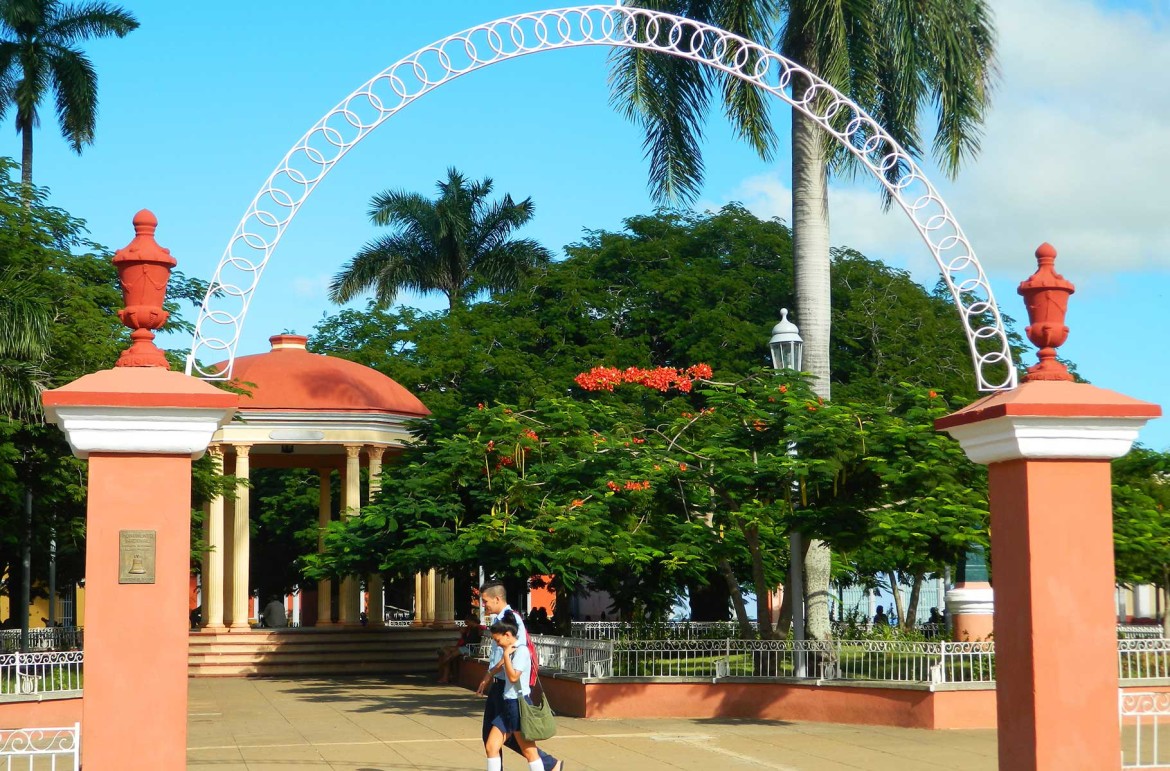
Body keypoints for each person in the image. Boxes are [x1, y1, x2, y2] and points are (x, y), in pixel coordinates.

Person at [477, 580, 562, 771]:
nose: (484, 605)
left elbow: (514, 655)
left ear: (497, 598)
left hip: (512, 694)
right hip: (503, 689)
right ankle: (550, 765)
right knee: (492, 741)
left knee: (523, 745)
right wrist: (490, 674)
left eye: (485, 601)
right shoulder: (500, 621)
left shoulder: (511, 621)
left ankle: (550, 764)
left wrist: (490, 673)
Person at [483, 612, 547, 771]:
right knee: (491, 746)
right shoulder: (511, 651)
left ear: (507, 635)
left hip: (518, 706)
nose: (497, 644)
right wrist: (490, 674)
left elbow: (512, 677)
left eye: (498, 640)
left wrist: (505, 655)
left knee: (529, 751)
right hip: (508, 705)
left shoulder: (521, 651)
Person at [438, 612, 483, 683]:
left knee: (449, 657)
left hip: (471, 649)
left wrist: (464, 633)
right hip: (466, 647)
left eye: (467, 621)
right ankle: (447, 675)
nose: (466, 623)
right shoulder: (470, 628)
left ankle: (446, 674)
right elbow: (466, 641)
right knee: (446, 650)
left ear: (472, 621)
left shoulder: (477, 628)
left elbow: (471, 641)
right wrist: (464, 633)